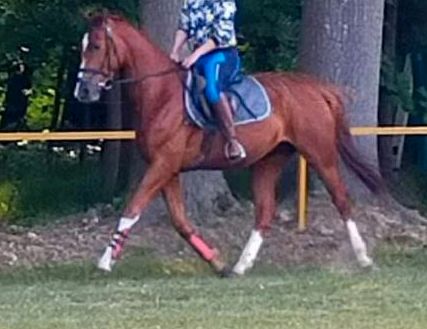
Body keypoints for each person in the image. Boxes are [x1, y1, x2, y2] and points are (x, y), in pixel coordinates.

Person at [170, 0, 246, 160]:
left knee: (212, 88)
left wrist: (194, 56)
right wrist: (175, 51)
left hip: (222, 54)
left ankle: (232, 140)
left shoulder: (224, 3)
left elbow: (220, 36)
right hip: (199, 55)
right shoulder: (191, 2)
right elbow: (184, 27)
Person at [0, 62, 32, 130]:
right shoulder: (13, 78)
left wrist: (27, 92)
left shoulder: (25, 78)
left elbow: (28, 89)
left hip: (20, 103)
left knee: (17, 119)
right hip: (13, 104)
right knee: (10, 120)